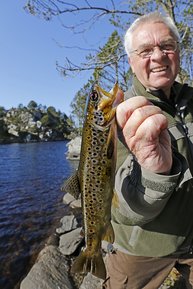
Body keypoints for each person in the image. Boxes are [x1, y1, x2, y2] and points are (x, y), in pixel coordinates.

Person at [103, 11, 193, 289]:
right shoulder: (117, 117)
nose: (158, 56)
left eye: (167, 46)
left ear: (178, 52)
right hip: (140, 249)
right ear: (131, 62)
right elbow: (119, 209)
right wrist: (153, 173)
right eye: (145, 50)